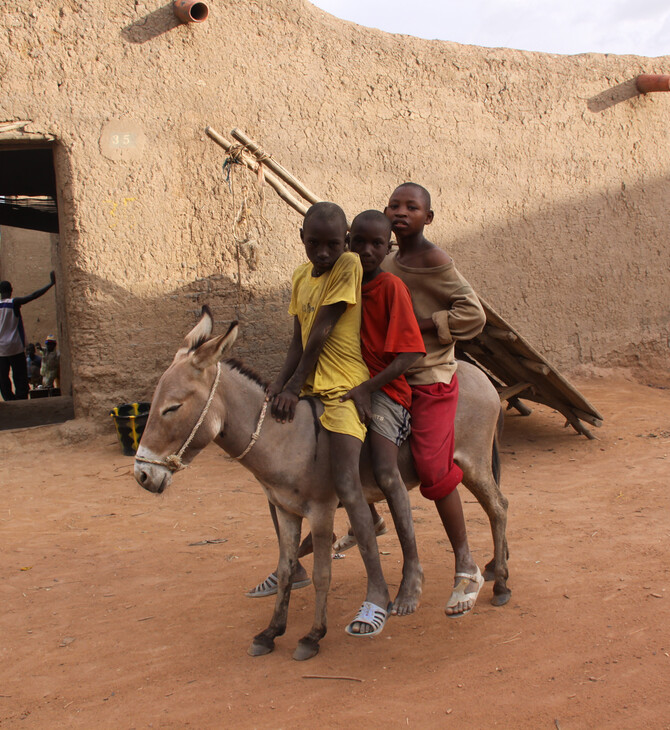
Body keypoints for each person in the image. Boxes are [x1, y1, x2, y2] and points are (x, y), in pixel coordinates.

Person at [265, 201, 391, 636]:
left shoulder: (349, 265)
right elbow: (297, 337)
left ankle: (378, 590)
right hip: (307, 384)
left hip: (340, 388)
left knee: (346, 485)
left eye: (332, 244)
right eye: (314, 244)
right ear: (301, 239)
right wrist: (279, 384)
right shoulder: (301, 277)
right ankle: (288, 566)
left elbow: (322, 328)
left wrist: (295, 385)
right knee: (272, 469)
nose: (323, 253)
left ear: (344, 243)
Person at [383, 182, 487, 618]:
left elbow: (474, 314)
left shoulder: (436, 262)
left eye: (412, 207)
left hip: (430, 377)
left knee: (431, 465)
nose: (401, 212)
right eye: (394, 204)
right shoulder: (388, 261)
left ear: (429, 217)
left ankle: (466, 564)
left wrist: (423, 325)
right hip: (391, 374)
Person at [0, 272, 55, 401]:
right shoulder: (14, 303)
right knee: (19, 374)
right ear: (11, 290)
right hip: (15, 346)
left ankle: (8, 398)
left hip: (1, 349)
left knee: (3, 376)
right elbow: (33, 295)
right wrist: (50, 284)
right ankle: (21, 397)